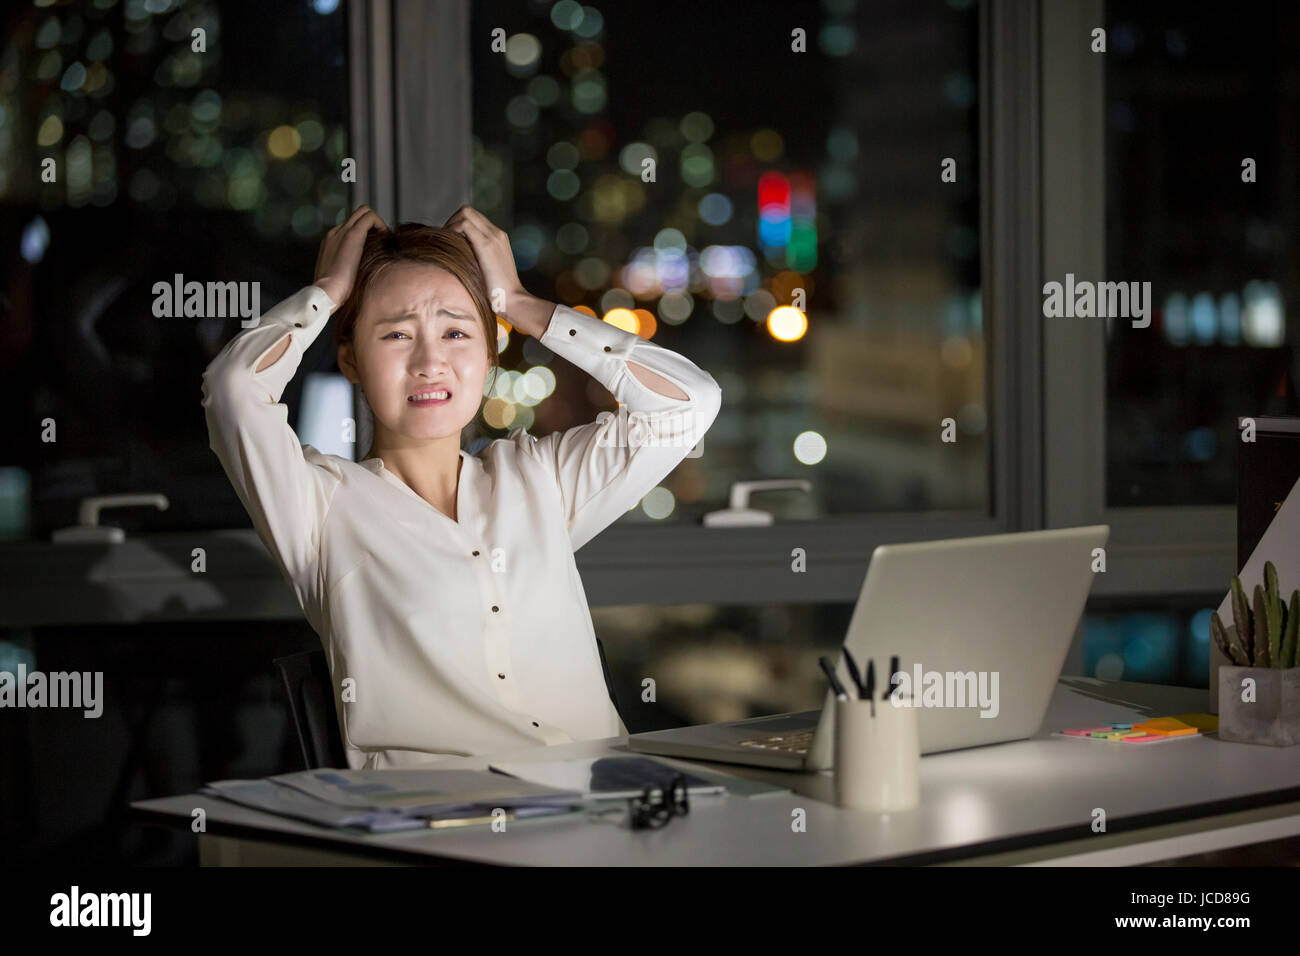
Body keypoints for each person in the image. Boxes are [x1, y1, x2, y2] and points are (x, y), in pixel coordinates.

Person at [201, 204, 722, 769]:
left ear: (489, 354)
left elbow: (690, 403)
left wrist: (522, 305)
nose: (431, 362)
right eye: (397, 334)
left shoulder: (539, 481)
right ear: (350, 357)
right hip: (436, 828)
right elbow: (233, 391)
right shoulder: (320, 507)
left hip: (604, 809)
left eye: (456, 332)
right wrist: (325, 293)